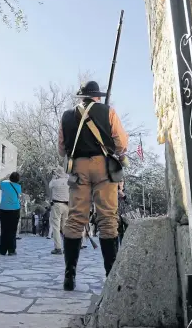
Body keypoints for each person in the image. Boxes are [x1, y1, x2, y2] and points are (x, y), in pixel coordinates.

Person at [58, 80, 129, 290]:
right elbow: (122, 144)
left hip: (78, 167)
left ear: (82, 97)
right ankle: (110, 275)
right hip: (103, 166)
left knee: (75, 219)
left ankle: (69, 276)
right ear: (97, 96)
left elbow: (62, 150)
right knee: (107, 218)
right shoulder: (108, 112)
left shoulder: (67, 116)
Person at [0, 172, 22, 256]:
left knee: (4, 229)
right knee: (12, 230)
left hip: (4, 209)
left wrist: (4, 177)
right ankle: (11, 250)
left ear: (10, 178)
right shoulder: (18, 187)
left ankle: (2, 250)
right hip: (15, 209)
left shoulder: (4, 185)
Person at [49, 168, 70, 254]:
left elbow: (50, 186)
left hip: (57, 205)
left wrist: (53, 178)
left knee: (56, 227)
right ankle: (67, 247)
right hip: (67, 205)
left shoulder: (55, 182)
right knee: (65, 227)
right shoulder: (68, 182)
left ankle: (58, 248)